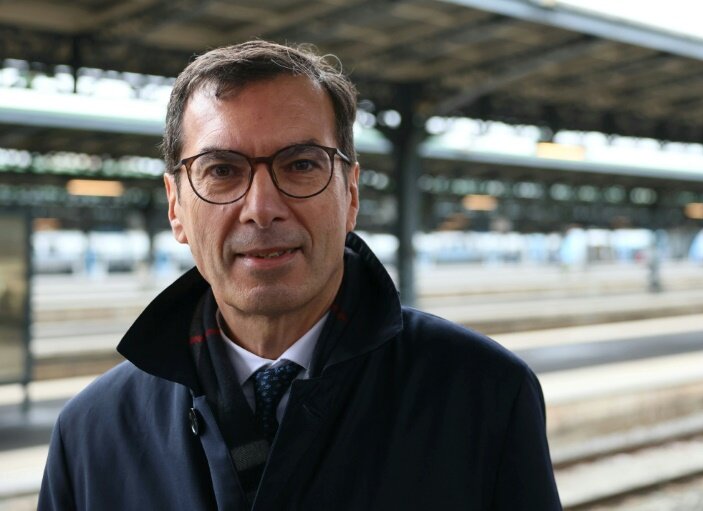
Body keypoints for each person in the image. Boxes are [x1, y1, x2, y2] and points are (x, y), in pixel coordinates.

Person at [39, 40, 561, 510]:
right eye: (221, 171)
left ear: (350, 193)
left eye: (302, 165)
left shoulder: (486, 394)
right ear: (176, 206)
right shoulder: (91, 432)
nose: (262, 208)